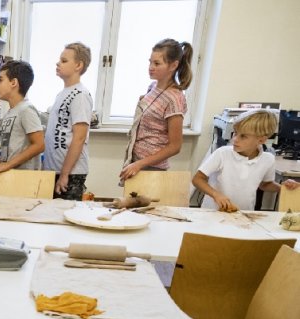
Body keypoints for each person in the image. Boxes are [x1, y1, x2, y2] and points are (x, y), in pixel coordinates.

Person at [193, 109, 299, 211]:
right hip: (213, 213)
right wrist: (216, 195)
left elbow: (265, 184)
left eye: (243, 136)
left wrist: (283, 187)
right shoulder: (222, 153)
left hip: (244, 214)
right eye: (235, 133)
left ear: (261, 140)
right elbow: (197, 179)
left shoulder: (268, 159)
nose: (235, 139)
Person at [120, 39, 194, 181]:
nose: (151, 67)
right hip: (135, 160)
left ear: (173, 65)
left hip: (151, 169)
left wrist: (140, 164)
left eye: (157, 63)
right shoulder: (153, 87)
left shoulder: (175, 98)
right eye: (150, 62)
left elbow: (175, 146)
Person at [43, 42, 93, 200]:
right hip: (55, 170)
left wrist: (65, 174)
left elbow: (79, 138)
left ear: (78, 65)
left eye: (64, 61)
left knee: (64, 213)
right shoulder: (62, 94)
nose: (58, 63)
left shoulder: (80, 95)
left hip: (70, 173)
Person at [0, 59, 44, 178]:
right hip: (12, 178)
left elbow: (39, 145)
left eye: (1, 80)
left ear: (13, 82)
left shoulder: (26, 110)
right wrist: (1, 163)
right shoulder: (10, 113)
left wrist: (8, 165)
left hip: (24, 179)